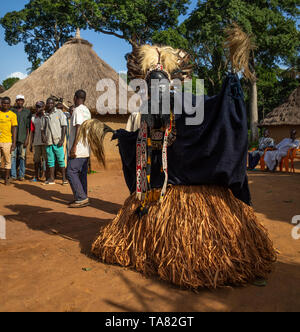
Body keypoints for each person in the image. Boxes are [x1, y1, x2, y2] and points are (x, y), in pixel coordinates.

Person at [79, 42, 277, 289]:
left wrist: (229, 89)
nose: (156, 87)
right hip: (161, 191)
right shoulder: (151, 107)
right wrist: (120, 136)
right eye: (153, 83)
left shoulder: (186, 101)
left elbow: (213, 112)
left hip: (187, 194)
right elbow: (145, 143)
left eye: (159, 82)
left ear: (169, 82)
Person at [67, 90, 91, 208]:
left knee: (71, 172)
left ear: (75, 97)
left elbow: (79, 128)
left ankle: (81, 197)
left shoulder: (77, 110)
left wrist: (74, 147)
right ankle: (82, 197)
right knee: (81, 174)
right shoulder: (86, 110)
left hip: (79, 149)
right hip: (85, 148)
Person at [41, 98, 68, 185]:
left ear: (54, 104)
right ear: (46, 104)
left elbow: (64, 126)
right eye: (48, 103)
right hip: (48, 142)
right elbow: (42, 129)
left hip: (57, 141)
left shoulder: (59, 113)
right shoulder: (44, 115)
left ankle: (64, 179)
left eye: (52, 103)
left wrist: (62, 139)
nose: (50, 105)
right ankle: (51, 179)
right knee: (50, 161)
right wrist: (43, 137)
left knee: (61, 160)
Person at [11, 95, 31, 181]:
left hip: (23, 138)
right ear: (16, 101)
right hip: (13, 139)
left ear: (23, 101)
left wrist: (27, 139)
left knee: (22, 157)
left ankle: (21, 175)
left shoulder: (27, 112)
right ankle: (13, 175)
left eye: (21, 100)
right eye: (18, 100)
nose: (20, 102)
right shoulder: (12, 111)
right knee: (13, 157)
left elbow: (28, 127)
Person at [0, 97, 18, 185]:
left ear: (10, 104)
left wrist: (14, 143)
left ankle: (7, 178)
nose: (5, 105)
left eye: (7, 103)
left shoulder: (12, 115)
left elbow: (14, 129)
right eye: (4, 103)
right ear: (1, 103)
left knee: (8, 161)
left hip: (7, 141)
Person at [30, 101, 47, 182]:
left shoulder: (47, 117)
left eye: (39, 107)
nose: (38, 108)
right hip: (36, 142)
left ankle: (44, 176)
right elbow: (32, 131)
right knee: (36, 160)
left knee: (45, 160)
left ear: (43, 107)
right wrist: (31, 143)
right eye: (37, 106)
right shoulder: (33, 118)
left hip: (45, 142)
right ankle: (36, 176)